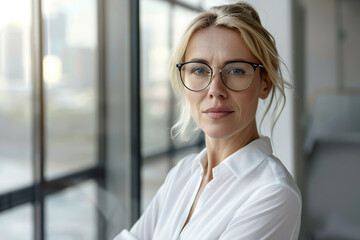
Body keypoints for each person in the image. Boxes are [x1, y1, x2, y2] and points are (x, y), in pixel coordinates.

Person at [114, 2, 301, 239]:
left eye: (235, 70)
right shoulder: (183, 173)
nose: (215, 89)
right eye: (200, 70)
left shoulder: (273, 193)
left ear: (265, 83)